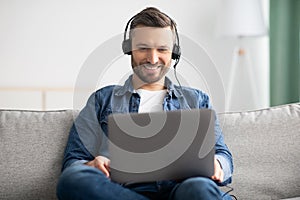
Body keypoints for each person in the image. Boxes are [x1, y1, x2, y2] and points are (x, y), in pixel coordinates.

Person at [56, 7, 233, 200]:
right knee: (73, 180)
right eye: (143, 48)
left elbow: (223, 155)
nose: (153, 58)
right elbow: (73, 161)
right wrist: (92, 164)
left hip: (183, 190)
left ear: (174, 53)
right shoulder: (102, 99)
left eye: (162, 49)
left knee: (199, 189)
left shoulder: (197, 100)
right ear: (129, 49)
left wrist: (217, 164)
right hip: (121, 191)